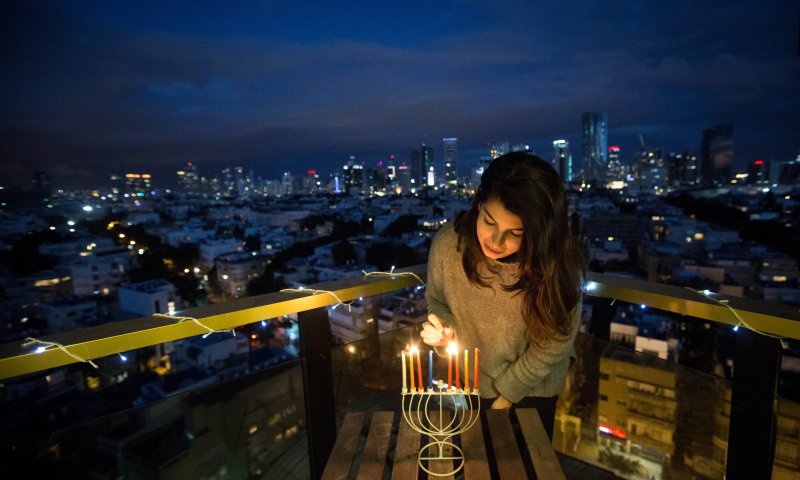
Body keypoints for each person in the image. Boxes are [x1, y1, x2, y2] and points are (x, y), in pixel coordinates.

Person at [420, 151, 585, 440]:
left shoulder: (553, 264)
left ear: (538, 233)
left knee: (522, 460)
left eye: (515, 233)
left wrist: (506, 397)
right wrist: (445, 328)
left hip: (534, 390)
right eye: (489, 221)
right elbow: (437, 299)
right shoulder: (449, 245)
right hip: (468, 385)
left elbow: (555, 342)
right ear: (478, 202)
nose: (496, 241)